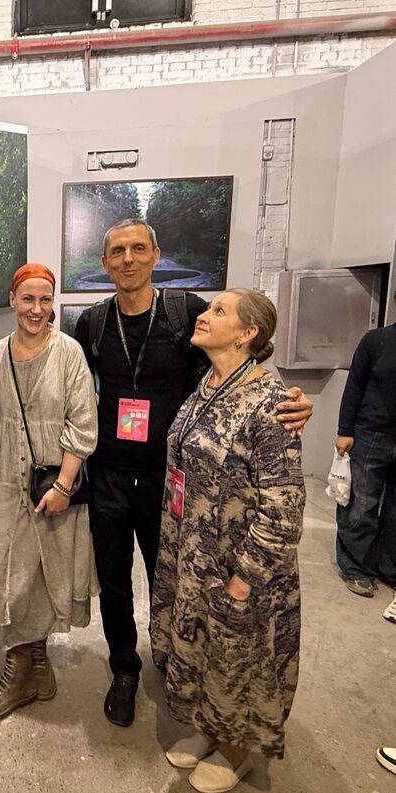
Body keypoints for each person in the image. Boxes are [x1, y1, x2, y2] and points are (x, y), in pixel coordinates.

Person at [72, 219, 313, 728]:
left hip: (175, 485)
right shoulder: (92, 323)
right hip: (110, 476)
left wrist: (293, 400)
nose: (129, 259)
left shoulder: (187, 315)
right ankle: (124, 668)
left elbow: (237, 371)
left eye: (139, 248)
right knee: (113, 580)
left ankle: (177, 659)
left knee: (177, 581)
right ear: (105, 263)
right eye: (117, 251)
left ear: (156, 254)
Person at [151, 289, 305, 793]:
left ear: (247, 334)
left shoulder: (271, 404)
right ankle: (208, 728)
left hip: (240, 567)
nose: (204, 314)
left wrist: (244, 580)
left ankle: (236, 749)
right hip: (195, 552)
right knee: (202, 650)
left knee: (240, 658)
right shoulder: (208, 384)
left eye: (220, 310)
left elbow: (283, 508)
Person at [0, 264, 98, 725]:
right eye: (28, 299)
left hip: (55, 483)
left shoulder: (69, 353)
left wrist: (65, 485)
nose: (38, 309)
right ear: (12, 300)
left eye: (46, 300)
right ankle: (22, 664)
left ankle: (33, 664)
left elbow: (84, 424)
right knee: (7, 571)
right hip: (7, 482)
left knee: (49, 573)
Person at [333, 300, 396, 597]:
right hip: (371, 434)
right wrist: (345, 430)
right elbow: (355, 386)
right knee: (362, 505)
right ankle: (356, 568)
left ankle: (387, 567)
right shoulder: (376, 340)